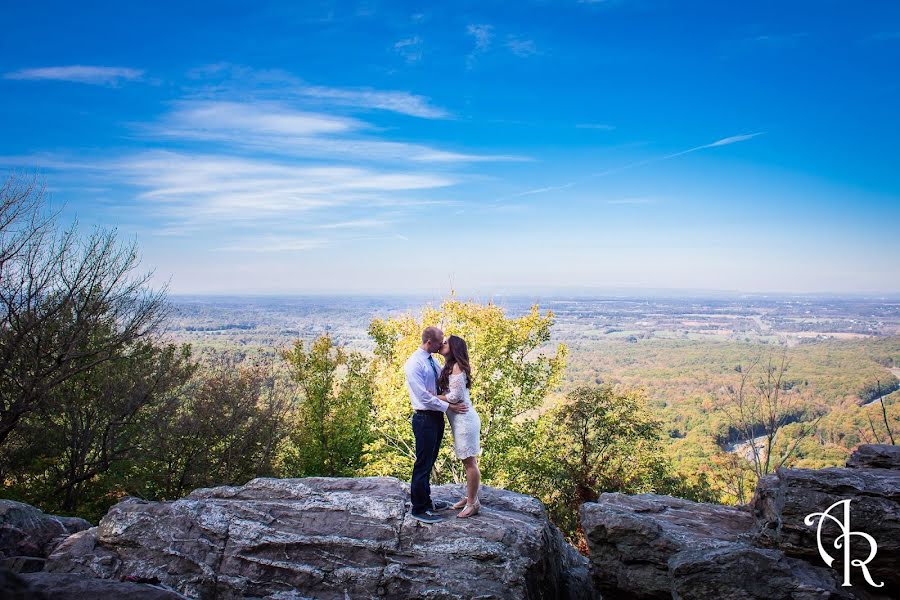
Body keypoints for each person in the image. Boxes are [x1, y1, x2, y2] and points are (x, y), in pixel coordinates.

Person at [404, 326, 469, 524]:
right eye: (440, 341)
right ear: (429, 343)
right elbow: (423, 396)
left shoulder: (431, 360)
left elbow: (440, 386)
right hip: (424, 418)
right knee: (423, 463)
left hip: (435, 417)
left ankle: (427, 501)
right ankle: (418, 508)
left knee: (430, 461)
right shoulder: (414, 364)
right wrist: (448, 405)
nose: (442, 345)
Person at [436, 335, 482, 518]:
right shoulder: (449, 366)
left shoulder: (457, 366)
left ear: (454, 347)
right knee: (468, 461)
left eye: (446, 342)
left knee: (469, 463)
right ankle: (471, 497)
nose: (442, 344)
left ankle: (472, 504)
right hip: (460, 420)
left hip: (465, 421)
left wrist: (432, 396)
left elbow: (455, 396)